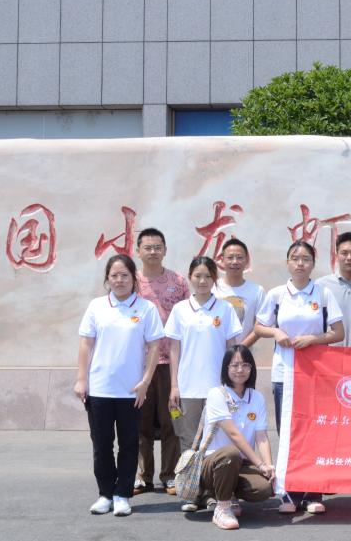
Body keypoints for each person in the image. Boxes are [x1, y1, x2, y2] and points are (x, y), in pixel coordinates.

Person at [254, 240, 345, 515]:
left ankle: (313, 492)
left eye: (306, 259)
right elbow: (259, 326)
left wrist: (314, 339)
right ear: (287, 262)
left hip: (315, 374)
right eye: (295, 258)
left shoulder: (324, 294)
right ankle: (290, 492)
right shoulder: (277, 294)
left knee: (315, 432)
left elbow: (338, 332)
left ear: (313, 264)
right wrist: (275, 332)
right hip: (284, 373)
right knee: (288, 432)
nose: (300, 263)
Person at [75, 254, 164, 517]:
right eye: (114, 275)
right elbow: (86, 344)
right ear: (107, 279)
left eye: (125, 275)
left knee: (129, 444)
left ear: (134, 278)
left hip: (131, 391)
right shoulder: (97, 306)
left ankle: (122, 494)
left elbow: (155, 347)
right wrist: (82, 379)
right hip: (99, 388)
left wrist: (145, 382)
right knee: (101, 445)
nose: (119, 280)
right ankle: (105, 494)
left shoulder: (146, 309)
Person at [165, 256, 243, 509]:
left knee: (215, 442)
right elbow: (174, 349)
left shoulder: (225, 309)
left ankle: (211, 492)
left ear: (214, 279)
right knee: (189, 441)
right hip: (188, 386)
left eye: (207, 276)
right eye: (197, 276)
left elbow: (232, 348)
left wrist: (232, 385)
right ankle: (191, 492)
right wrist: (174, 385)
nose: (202, 281)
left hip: (217, 389)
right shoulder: (180, 310)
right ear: (190, 278)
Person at [133, 227, 190, 497]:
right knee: (140, 422)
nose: (153, 252)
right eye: (148, 247)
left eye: (158, 247)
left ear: (165, 250)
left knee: (171, 421)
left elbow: (187, 317)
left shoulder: (178, 281)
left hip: (170, 363)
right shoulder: (131, 281)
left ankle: (170, 475)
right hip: (139, 364)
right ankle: (143, 476)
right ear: (138, 251)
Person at [196, 345, 275, 530]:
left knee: (263, 489)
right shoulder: (216, 394)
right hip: (213, 463)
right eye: (235, 365)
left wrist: (269, 467)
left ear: (251, 369)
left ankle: (231, 495)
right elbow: (234, 434)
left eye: (245, 365)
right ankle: (222, 508)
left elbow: (261, 436)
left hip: (240, 463)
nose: (240, 369)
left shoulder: (257, 397)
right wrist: (260, 464)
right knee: (230, 453)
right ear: (226, 368)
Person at [214, 238, 266, 346]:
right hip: (214, 352)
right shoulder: (212, 288)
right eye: (230, 257)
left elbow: (261, 325)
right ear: (222, 260)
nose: (235, 262)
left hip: (243, 353)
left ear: (247, 260)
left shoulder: (257, 291)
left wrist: (240, 349)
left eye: (239, 257)